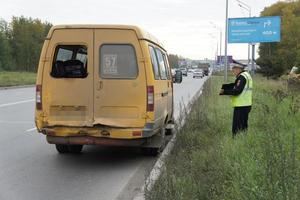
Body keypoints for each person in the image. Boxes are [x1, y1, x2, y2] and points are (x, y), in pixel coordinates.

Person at [219, 64, 253, 137]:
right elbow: (236, 85)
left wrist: (224, 92)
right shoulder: (246, 75)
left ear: (238, 69)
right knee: (243, 126)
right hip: (246, 105)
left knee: (236, 128)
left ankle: (236, 141)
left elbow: (237, 90)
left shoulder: (242, 77)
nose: (232, 71)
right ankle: (243, 141)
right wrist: (226, 87)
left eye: (233, 69)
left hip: (241, 106)